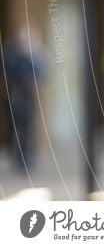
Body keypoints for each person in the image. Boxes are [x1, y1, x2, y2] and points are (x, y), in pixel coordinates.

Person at [2, 26, 46, 172]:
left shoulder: (35, 53)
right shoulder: (11, 53)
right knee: (16, 127)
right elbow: (6, 72)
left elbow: (41, 73)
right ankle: (19, 157)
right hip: (16, 95)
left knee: (28, 127)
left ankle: (27, 157)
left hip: (29, 97)